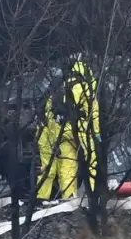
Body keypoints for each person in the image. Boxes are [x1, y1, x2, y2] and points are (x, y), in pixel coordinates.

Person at [37, 58, 101, 201]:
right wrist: (97, 135)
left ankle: (69, 198)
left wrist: (55, 137)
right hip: (81, 129)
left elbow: (49, 113)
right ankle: (92, 196)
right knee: (91, 162)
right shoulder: (85, 87)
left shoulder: (59, 89)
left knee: (68, 165)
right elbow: (93, 112)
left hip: (62, 131)